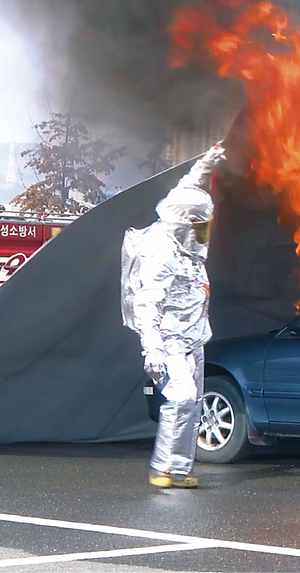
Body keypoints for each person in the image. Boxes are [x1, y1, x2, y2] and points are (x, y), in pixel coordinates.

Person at [121, 143, 226, 489]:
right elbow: (147, 305)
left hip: (194, 333)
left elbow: (188, 189)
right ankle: (162, 467)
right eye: (199, 226)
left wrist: (207, 164)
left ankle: (179, 470)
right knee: (179, 397)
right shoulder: (160, 252)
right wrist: (152, 349)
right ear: (184, 225)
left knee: (193, 404)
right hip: (169, 338)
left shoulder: (185, 241)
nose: (204, 234)